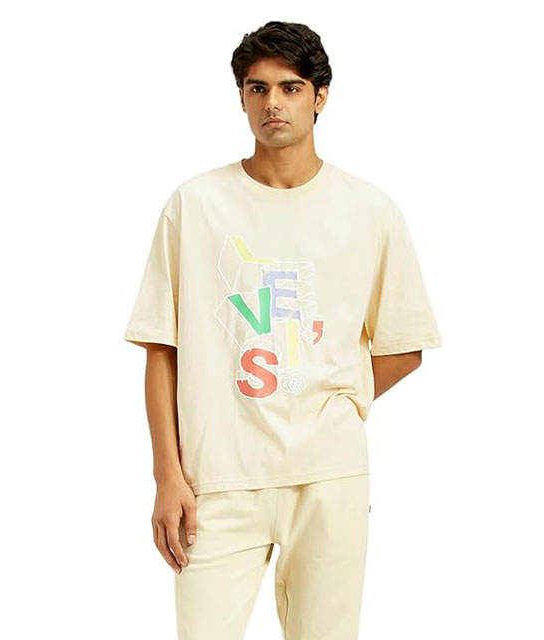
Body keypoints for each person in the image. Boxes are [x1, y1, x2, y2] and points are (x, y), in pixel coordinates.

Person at [123, 20, 442, 640]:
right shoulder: (195, 205)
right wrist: (167, 475)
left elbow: (404, 347)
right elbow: (162, 347)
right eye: (258, 88)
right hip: (217, 478)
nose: (273, 103)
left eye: (290, 87)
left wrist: (333, 400)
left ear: (320, 96)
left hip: (328, 475)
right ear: (242, 98)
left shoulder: (369, 211)